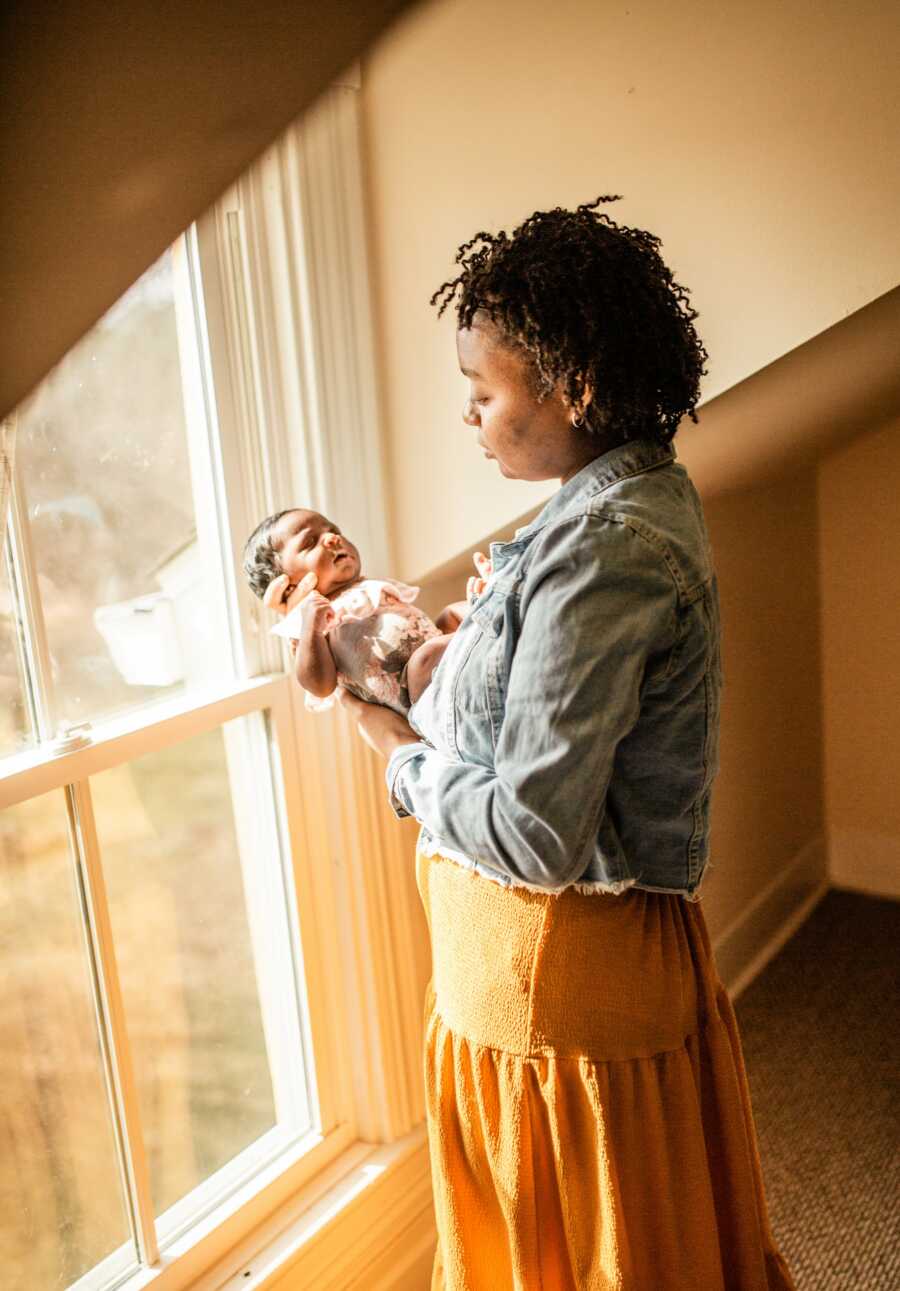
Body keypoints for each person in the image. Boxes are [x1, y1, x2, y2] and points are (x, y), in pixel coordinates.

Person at [335, 197, 797, 1289]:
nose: (470, 415)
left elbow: (537, 832)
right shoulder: (611, 503)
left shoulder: (605, 550)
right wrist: (454, 659)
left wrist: (394, 757)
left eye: (481, 390)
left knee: (580, 1251)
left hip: (558, 980)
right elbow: (547, 716)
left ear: (572, 385)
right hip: (544, 977)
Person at [242, 507, 472, 713]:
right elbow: (319, 686)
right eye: (310, 542)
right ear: (288, 584)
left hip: (439, 656)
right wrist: (310, 629)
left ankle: (485, 615)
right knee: (426, 656)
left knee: (454, 612)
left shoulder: (363, 587)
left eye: (333, 530)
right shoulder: (308, 619)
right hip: (421, 692)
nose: (332, 538)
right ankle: (477, 634)